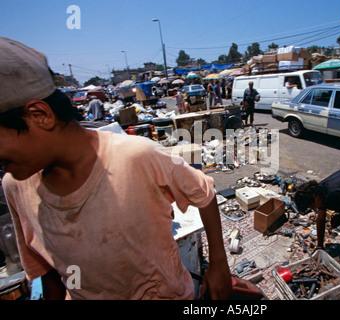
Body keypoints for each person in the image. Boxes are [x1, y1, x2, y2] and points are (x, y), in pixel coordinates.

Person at [0, 37, 232, 300]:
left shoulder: (138, 155)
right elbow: (46, 271)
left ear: (40, 115)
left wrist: (219, 264)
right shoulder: (15, 186)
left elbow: (205, 194)